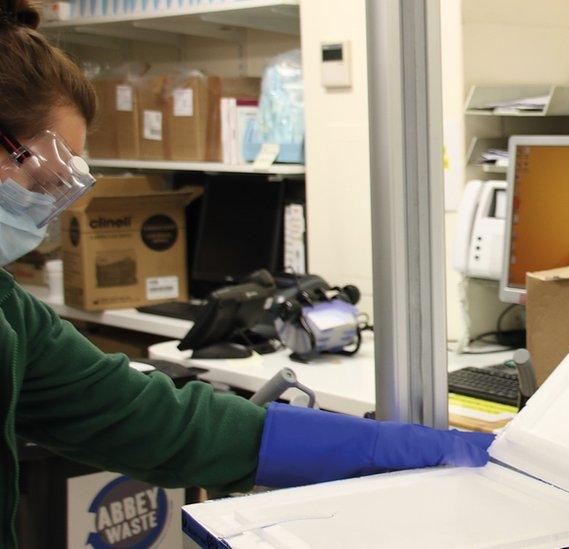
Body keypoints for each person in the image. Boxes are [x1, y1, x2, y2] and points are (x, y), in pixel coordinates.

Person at [0, 1, 492, 546]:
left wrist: (390, 447)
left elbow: (152, 421)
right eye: (45, 171)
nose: (48, 204)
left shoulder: (9, 314)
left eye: (66, 182)